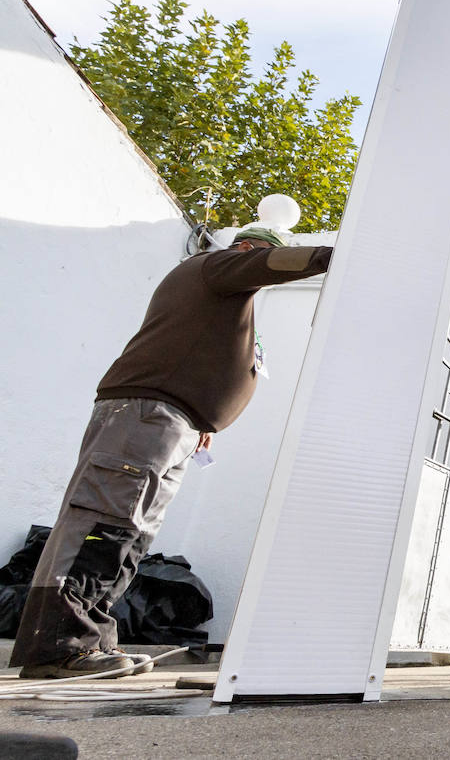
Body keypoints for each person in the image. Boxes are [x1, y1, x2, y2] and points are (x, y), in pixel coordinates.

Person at [10, 227, 333, 679]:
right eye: (260, 255)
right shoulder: (211, 268)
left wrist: (204, 419)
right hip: (146, 416)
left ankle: (91, 641)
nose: (260, 265)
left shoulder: (219, 298)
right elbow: (268, 263)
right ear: (242, 249)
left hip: (172, 422)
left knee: (131, 535)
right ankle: (59, 649)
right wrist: (333, 256)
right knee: (105, 523)